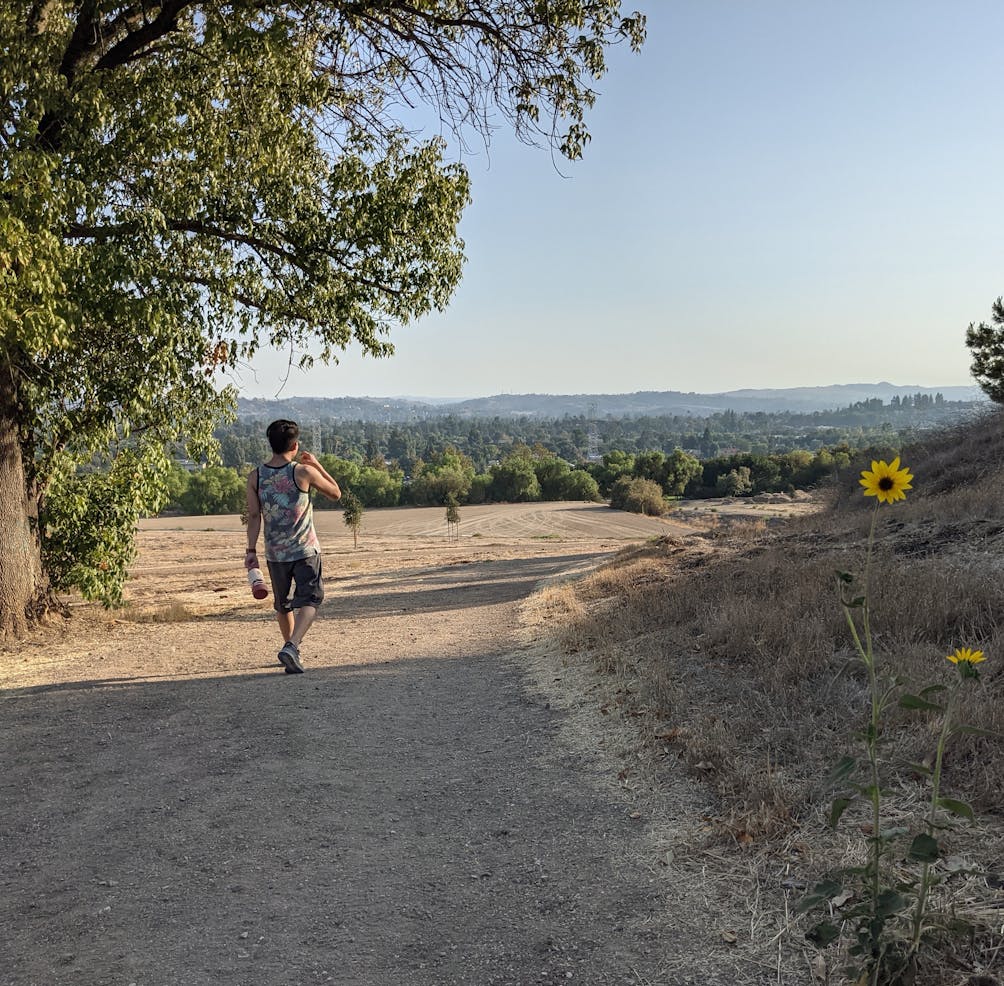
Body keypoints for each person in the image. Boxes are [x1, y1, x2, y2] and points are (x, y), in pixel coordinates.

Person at [245, 419, 341, 674]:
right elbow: (335, 493)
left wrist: (251, 551)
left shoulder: (255, 476)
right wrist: (317, 465)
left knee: (283, 604)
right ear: (295, 446)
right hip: (305, 550)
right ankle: (292, 646)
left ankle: (290, 649)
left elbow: (254, 517)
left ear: (271, 444)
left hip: (275, 554)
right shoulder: (302, 472)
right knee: (310, 600)